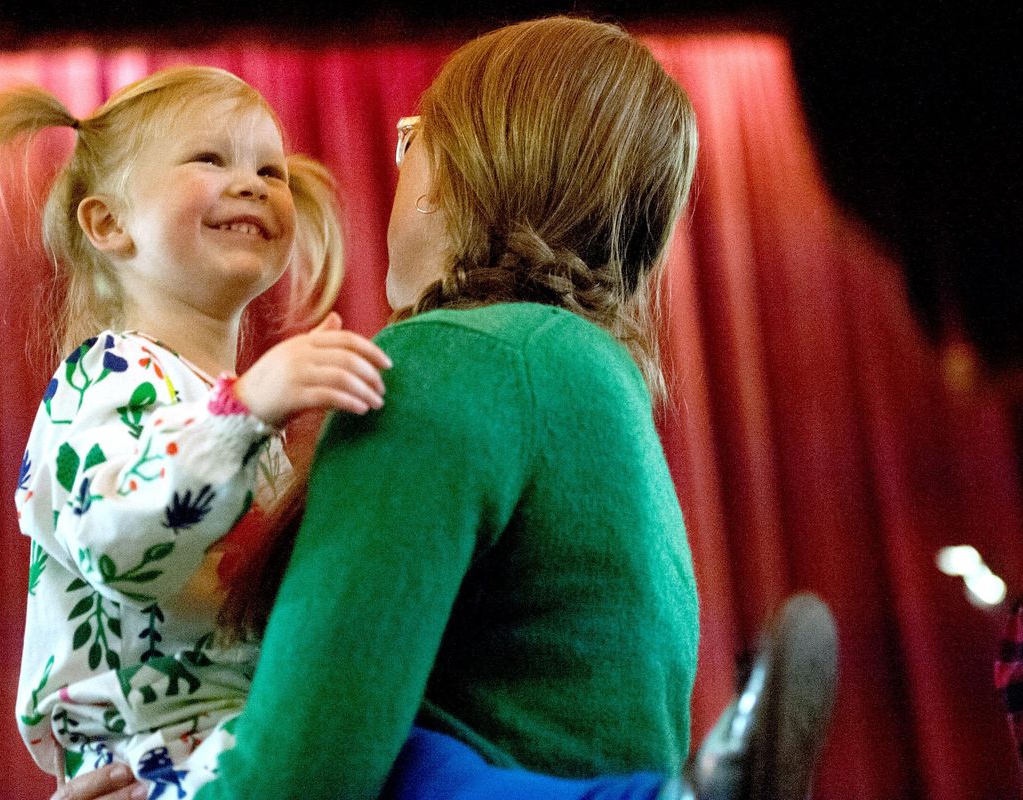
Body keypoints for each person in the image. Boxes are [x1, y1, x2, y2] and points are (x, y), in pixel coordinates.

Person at [52, 17, 842, 800]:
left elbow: (301, 769)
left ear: (465, 169)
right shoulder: (593, 373)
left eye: (412, 140)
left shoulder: (452, 361)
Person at [0, 65, 394, 798]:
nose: (251, 183)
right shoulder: (106, 374)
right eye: (211, 159)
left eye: (269, 169)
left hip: (228, 735)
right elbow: (121, 546)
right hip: (148, 755)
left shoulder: (241, 416)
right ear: (108, 223)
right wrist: (246, 409)